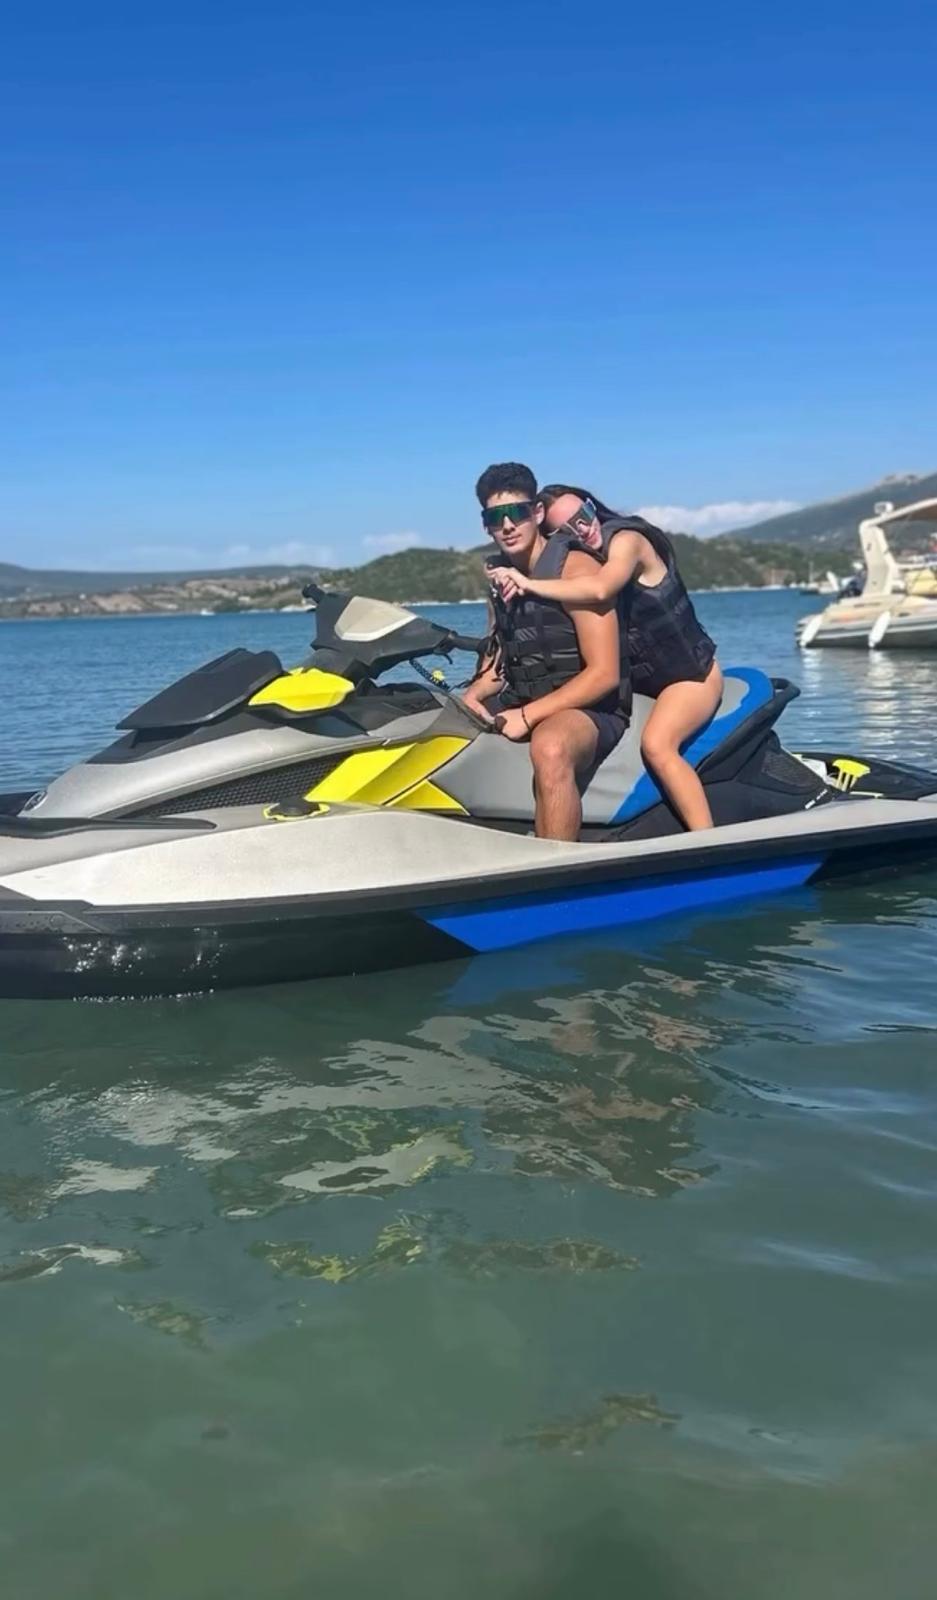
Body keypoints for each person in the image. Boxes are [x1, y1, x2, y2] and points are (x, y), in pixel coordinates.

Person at [488, 485, 721, 831]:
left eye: (583, 515)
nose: (581, 529)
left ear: (593, 507)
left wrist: (529, 583)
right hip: (644, 682)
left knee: (658, 746)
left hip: (690, 676)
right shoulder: (579, 560)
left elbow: (600, 589)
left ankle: (707, 839)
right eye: (566, 529)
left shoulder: (627, 541)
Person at [464, 462, 626, 841]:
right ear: (485, 523)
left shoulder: (576, 569)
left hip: (589, 708)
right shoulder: (500, 578)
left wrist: (527, 715)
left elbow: (605, 673)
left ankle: (556, 871)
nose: (507, 525)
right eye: (495, 516)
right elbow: (500, 658)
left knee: (550, 747)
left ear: (536, 513)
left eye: (516, 512)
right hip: (525, 697)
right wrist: (471, 696)